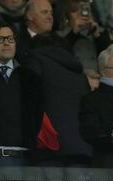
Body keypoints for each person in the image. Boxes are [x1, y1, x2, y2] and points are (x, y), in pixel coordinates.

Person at [26, 32, 92, 167]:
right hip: (81, 148)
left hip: (49, 146)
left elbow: (28, 98)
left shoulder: (35, 61)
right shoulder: (80, 73)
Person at [0, 22, 42, 166]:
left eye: (10, 39)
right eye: (0, 39)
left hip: (25, 157)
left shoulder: (30, 77)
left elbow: (38, 116)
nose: (6, 43)